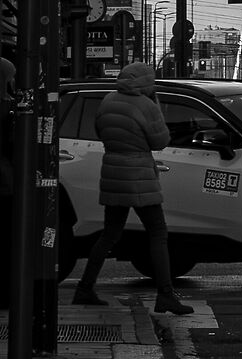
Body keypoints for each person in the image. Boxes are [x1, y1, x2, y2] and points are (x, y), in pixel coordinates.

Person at [71, 60, 193, 316]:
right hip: (139, 175)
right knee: (157, 233)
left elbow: (100, 130)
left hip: (113, 170)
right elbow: (160, 141)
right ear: (147, 84)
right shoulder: (147, 106)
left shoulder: (107, 100)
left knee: (109, 234)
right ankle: (166, 295)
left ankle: (85, 287)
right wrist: (155, 103)